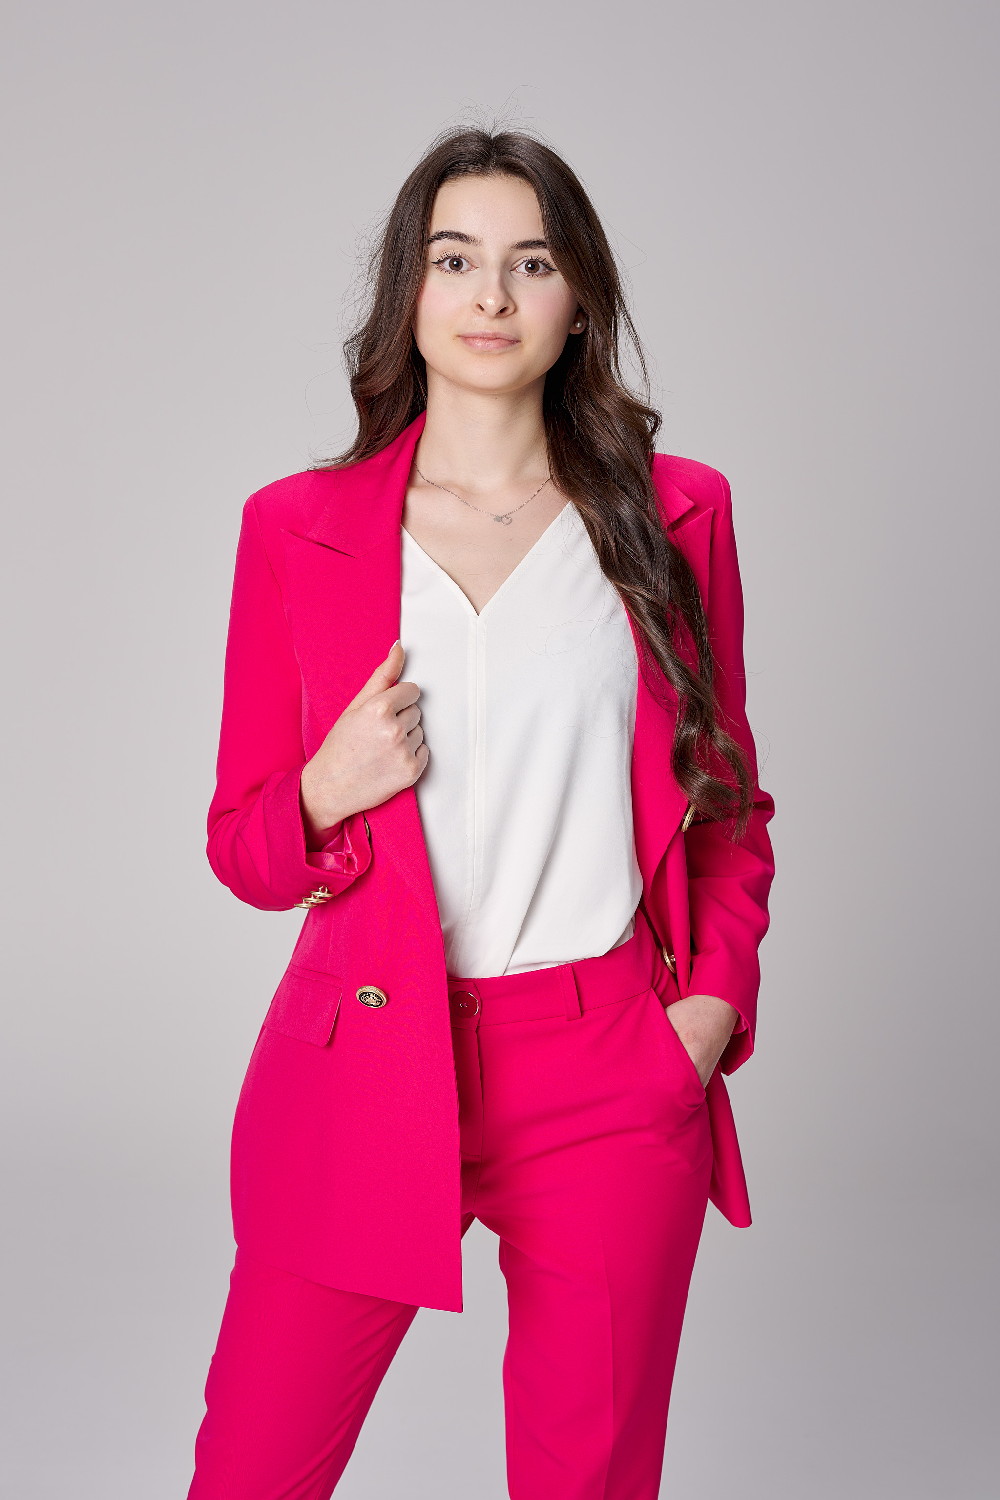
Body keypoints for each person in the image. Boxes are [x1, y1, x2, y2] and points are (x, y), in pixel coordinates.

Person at [186, 125, 776, 1500]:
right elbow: (242, 846)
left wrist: (707, 1012)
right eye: (455, 260)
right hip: (363, 1057)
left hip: (608, 1065)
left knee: (590, 1479)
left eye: (533, 263)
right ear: (409, 290)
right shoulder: (298, 528)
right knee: (254, 1470)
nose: (492, 296)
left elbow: (726, 803)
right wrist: (324, 789)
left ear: (579, 302)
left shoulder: (675, 517)